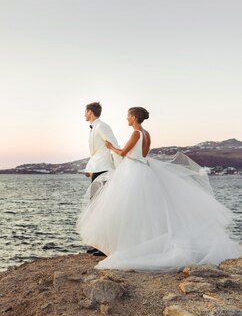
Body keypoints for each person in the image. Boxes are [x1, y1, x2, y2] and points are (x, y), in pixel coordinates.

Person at [77, 107, 242, 272]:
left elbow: (123, 153)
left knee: (130, 208)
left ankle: (133, 245)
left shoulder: (136, 134)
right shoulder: (147, 134)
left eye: (128, 115)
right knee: (148, 209)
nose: (126, 118)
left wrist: (110, 147)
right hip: (144, 169)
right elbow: (143, 153)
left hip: (133, 171)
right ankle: (142, 241)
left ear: (134, 117)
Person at [83, 102, 120, 256]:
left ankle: (105, 246)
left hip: (105, 170)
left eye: (85, 111)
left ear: (90, 112)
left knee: (102, 206)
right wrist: (90, 169)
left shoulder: (102, 126)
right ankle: (98, 243)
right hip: (97, 169)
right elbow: (96, 153)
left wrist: (119, 169)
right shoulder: (94, 127)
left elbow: (114, 145)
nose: (84, 114)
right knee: (95, 206)